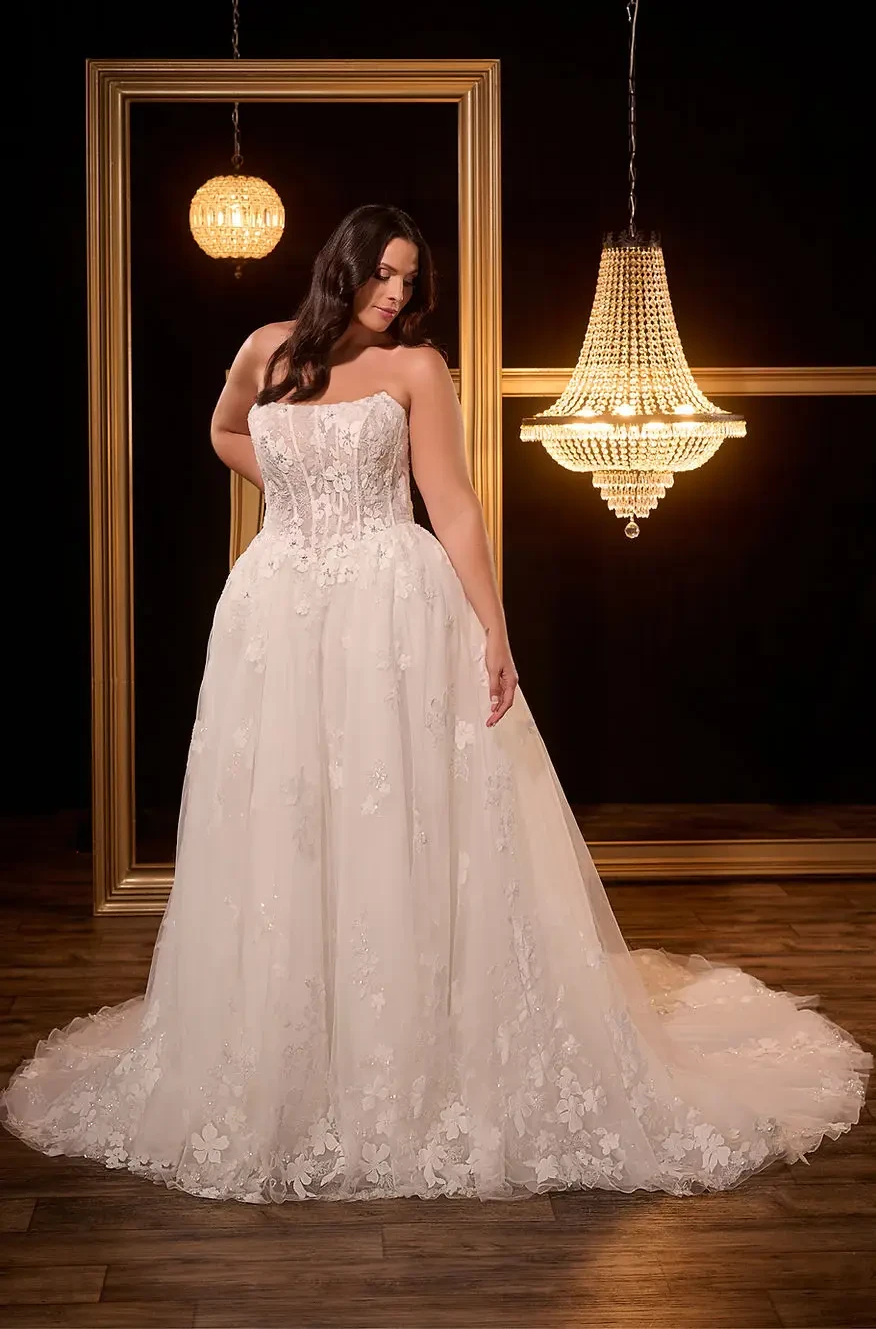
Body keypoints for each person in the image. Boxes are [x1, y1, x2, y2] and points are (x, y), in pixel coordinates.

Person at [1, 204, 870, 1204]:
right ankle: (291, 1055)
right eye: (384, 273)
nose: (398, 294)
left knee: (392, 814)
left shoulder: (418, 368)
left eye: (411, 280)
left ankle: (404, 1053)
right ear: (343, 266)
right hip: (275, 606)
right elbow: (224, 427)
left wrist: (493, 630)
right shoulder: (266, 348)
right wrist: (294, 487)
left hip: (389, 607)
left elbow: (450, 502)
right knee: (284, 817)